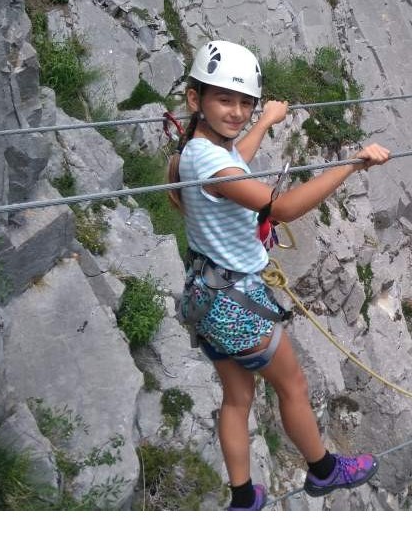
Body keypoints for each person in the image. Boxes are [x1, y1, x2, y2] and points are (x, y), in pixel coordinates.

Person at [167, 39, 391, 510]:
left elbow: (233, 165)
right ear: (196, 99)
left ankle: (244, 498)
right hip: (238, 304)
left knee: (236, 399)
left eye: (244, 103)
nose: (236, 111)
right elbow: (281, 208)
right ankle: (324, 470)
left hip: (205, 298)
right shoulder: (213, 163)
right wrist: (352, 163)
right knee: (294, 387)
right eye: (225, 100)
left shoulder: (191, 151)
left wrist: (266, 122)